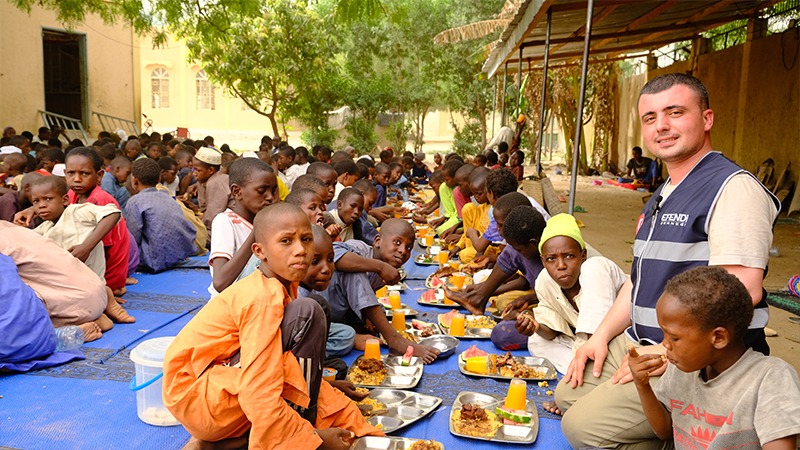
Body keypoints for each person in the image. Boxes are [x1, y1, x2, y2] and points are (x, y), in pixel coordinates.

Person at [555, 73, 781, 449]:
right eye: (650, 118)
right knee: (568, 394)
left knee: (580, 428)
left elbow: (744, 290)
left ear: (706, 119)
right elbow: (639, 281)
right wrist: (599, 337)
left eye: (675, 112)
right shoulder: (664, 192)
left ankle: (691, 432)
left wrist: (664, 351)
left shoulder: (732, 188)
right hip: (644, 342)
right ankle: (675, 438)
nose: (661, 125)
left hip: (692, 360)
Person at [163, 203, 381, 448]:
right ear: (260, 251)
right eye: (286, 241)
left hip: (211, 395)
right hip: (202, 403)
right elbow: (259, 387)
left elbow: (273, 363)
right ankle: (298, 436)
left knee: (313, 309)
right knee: (307, 313)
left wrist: (329, 390)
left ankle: (222, 444)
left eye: (306, 239)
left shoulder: (280, 285)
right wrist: (315, 441)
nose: (300, 250)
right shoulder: (261, 298)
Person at [629, 266, 800, 450]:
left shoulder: (771, 377)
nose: (665, 345)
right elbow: (664, 432)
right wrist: (643, 385)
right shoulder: (682, 368)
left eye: (674, 338)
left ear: (718, 338)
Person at [493, 213, 627, 374]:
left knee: (594, 268)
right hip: (582, 347)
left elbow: (596, 331)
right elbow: (551, 332)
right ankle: (583, 371)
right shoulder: (544, 280)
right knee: (536, 340)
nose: (561, 265)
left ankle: (588, 371)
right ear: (543, 261)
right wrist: (536, 326)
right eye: (551, 259)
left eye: (569, 256)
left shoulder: (596, 267)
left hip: (619, 342)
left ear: (582, 254)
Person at [323, 219, 439, 363]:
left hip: (340, 319)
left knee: (378, 314)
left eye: (408, 247)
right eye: (397, 242)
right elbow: (333, 253)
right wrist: (380, 267)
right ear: (377, 241)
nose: (403, 251)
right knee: (355, 271)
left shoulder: (380, 274)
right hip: (319, 318)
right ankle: (394, 340)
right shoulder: (360, 249)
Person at [445, 193, 543, 315]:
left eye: (501, 225)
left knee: (503, 303)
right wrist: (483, 287)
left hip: (549, 303)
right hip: (536, 291)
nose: (498, 229)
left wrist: (525, 299)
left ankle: (478, 297)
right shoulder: (522, 239)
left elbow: (551, 294)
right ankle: (479, 298)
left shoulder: (548, 252)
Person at [208, 158, 278, 297]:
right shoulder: (225, 222)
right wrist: (257, 229)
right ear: (237, 191)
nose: (270, 197)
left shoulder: (270, 223)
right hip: (232, 304)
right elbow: (220, 282)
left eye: (273, 191)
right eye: (261, 191)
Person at [125, 158, 196, 273]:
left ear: (134, 180)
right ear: (158, 179)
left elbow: (133, 238)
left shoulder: (135, 201)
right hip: (180, 253)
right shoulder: (167, 196)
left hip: (155, 259)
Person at [450, 168, 491, 263]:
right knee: (468, 207)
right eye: (474, 194)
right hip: (475, 244)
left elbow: (487, 240)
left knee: (464, 255)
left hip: (487, 248)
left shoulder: (492, 210)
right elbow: (468, 231)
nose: (476, 197)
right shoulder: (480, 207)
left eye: (479, 194)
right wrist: (458, 246)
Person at [193, 147, 235, 234]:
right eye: (194, 169)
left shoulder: (216, 183)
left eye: (198, 170)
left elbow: (212, 218)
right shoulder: (203, 180)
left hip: (228, 227)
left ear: (211, 170)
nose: (194, 173)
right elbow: (204, 209)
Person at [434, 159, 462, 236]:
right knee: (439, 230)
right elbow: (450, 213)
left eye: (447, 180)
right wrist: (444, 218)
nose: (445, 182)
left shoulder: (462, 190)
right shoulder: (445, 188)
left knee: (441, 231)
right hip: (453, 217)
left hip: (461, 220)